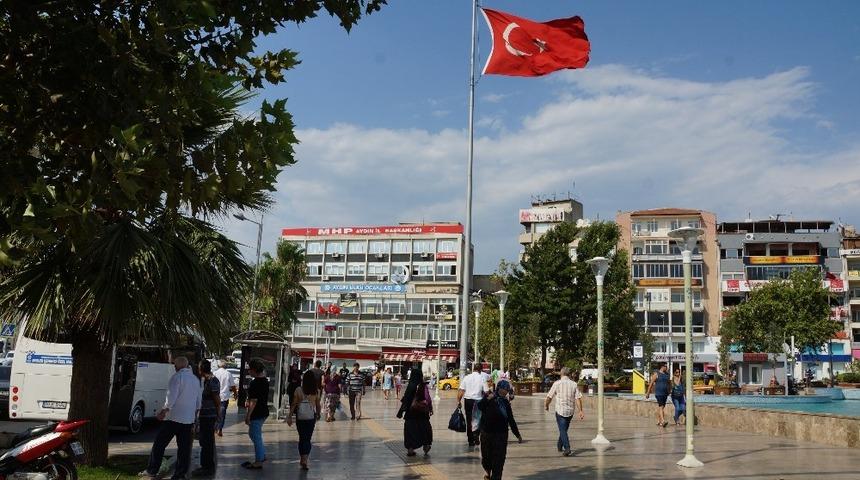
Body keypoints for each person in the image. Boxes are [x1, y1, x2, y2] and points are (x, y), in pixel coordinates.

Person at [139, 357, 201, 480]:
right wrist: (195, 417)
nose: (174, 367)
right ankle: (180, 474)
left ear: (177, 366)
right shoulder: (195, 379)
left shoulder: (177, 377)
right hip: (188, 419)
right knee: (184, 448)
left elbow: (171, 399)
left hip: (174, 418)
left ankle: (152, 470)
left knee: (159, 444)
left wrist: (163, 412)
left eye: (174, 365)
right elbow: (198, 402)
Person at [478, 380, 522, 480]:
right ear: (499, 388)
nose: (506, 391)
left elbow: (511, 419)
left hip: (501, 435)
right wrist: (487, 399)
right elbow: (480, 406)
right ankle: (488, 472)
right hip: (487, 433)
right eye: (505, 389)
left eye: (507, 389)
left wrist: (517, 434)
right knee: (486, 458)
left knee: (499, 460)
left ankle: (496, 477)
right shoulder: (489, 397)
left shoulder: (505, 403)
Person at [191, 360, 221, 477]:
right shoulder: (206, 381)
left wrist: (218, 416)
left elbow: (217, 400)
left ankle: (207, 467)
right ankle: (207, 466)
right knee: (205, 441)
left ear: (201, 369)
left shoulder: (212, 381)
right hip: (205, 415)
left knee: (206, 442)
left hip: (209, 416)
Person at [544, 367, 584, 457]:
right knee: (564, 430)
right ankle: (559, 445)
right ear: (569, 374)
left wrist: (546, 405)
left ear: (561, 374)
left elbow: (549, 397)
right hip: (570, 411)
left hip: (560, 410)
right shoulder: (574, 384)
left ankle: (567, 448)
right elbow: (578, 398)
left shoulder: (557, 383)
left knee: (562, 430)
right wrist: (580, 410)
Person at [288, 370, 321, 470]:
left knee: (302, 438)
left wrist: (289, 416)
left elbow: (294, 403)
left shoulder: (298, 389)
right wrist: (318, 414)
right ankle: (305, 460)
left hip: (300, 417)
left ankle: (302, 458)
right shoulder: (316, 391)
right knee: (308, 439)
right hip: (311, 417)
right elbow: (318, 405)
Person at [396, 367, 433, 457]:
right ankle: (426, 446)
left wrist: (401, 411)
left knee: (410, 431)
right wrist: (430, 408)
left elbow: (406, 399)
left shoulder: (411, 385)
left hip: (411, 413)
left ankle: (410, 449)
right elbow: (427, 398)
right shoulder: (423, 386)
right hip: (422, 413)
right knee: (425, 429)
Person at [242, 360, 269, 470]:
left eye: (250, 369)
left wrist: (248, 415)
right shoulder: (265, 381)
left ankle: (259, 460)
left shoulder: (255, 383)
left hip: (257, 413)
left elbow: (253, 401)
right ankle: (261, 455)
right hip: (263, 411)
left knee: (255, 436)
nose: (249, 371)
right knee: (254, 434)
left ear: (254, 370)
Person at [457, 363, 489, 447]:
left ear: (473, 369)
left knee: (469, 420)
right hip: (478, 401)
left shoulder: (466, 378)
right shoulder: (482, 378)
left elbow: (461, 390)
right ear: (481, 370)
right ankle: (476, 436)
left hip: (468, 401)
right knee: (478, 419)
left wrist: (459, 401)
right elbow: (486, 391)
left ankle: (470, 440)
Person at [212, 360, 236, 437]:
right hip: (224, 397)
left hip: (215, 396)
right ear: (225, 366)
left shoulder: (215, 373)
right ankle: (220, 429)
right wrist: (235, 394)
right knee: (222, 414)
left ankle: (215, 428)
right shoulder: (228, 374)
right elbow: (233, 386)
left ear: (218, 366)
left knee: (215, 413)